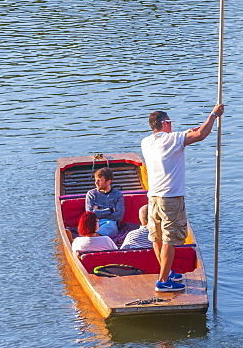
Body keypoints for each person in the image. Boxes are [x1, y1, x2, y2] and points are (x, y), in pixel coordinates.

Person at [141, 104, 224, 293]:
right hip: (171, 198)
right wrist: (214, 115)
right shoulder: (173, 140)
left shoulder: (146, 142)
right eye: (170, 122)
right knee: (170, 239)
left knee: (157, 237)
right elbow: (202, 134)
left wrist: (187, 131)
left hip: (153, 197)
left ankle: (167, 272)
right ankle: (163, 281)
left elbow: (182, 135)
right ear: (165, 123)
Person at [85, 167, 125, 237]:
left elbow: (119, 216)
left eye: (99, 180)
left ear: (108, 182)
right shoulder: (91, 194)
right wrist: (110, 210)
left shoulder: (118, 194)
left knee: (110, 225)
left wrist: (97, 211)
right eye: (96, 180)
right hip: (94, 222)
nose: (96, 183)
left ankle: (95, 237)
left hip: (109, 224)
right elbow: (89, 214)